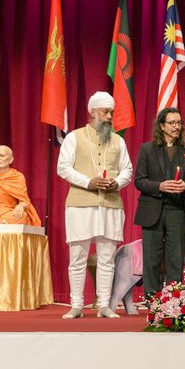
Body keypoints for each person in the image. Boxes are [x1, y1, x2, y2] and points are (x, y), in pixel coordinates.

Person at [57, 91, 133, 319]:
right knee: (78, 257)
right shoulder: (74, 137)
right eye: (105, 111)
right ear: (92, 113)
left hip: (110, 205)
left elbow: (127, 170)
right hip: (80, 205)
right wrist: (88, 182)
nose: (109, 116)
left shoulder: (118, 140)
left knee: (107, 258)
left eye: (111, 112)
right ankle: (77, 305)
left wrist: (117, 182)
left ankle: (103, 305)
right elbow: (63, 167)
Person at [133, 107, 185, 299]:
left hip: (177, 210)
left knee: (175, 258)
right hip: (152, 210)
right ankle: (152, 299)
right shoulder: (147, 149)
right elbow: (139, 181)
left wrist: (184, 186)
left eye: (179, 123)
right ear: (162, 126)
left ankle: (173, 300)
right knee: (152, 257)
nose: (176, 127)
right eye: (172, 123)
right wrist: (160, 186)